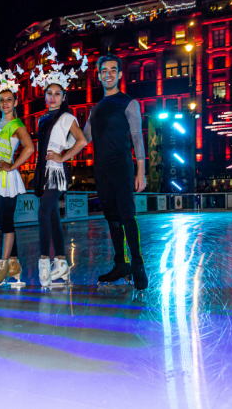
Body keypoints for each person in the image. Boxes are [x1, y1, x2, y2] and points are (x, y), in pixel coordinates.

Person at [83, 54, 148, 291]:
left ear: (119, 75)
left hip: (121, 165)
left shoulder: (128, 103)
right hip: (100, 168)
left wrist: (140, 171)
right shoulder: (96, 109)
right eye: (103, 71)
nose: (108, 74)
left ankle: (138, 264)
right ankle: (121, 264)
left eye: (112, 70)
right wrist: (60, 148)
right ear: (99, 76)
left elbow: (138, 138)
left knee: (127, 215)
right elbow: (84, 138)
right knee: (111, 217)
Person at [29, 43, 88, 287]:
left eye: (56, 93)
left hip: (56, 173)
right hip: (43, 172)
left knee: (43, 213)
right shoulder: (43, 118)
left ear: (64, 97)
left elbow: (82, 140)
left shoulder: (67, 117)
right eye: (48, 93)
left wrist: (63, 157)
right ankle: (62, 263)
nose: (52, 97)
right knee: (52, 217)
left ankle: (44, 260)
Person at [0, 63, 34, 287]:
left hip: (7, 179)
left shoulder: (17, 124)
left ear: (15, 102)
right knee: (0, 220)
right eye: (2, 100)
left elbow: (30, 148)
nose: (5, 103)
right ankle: (14, 264)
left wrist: (13, 166)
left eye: (9, 99)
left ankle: (3, 265)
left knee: (7, 221)